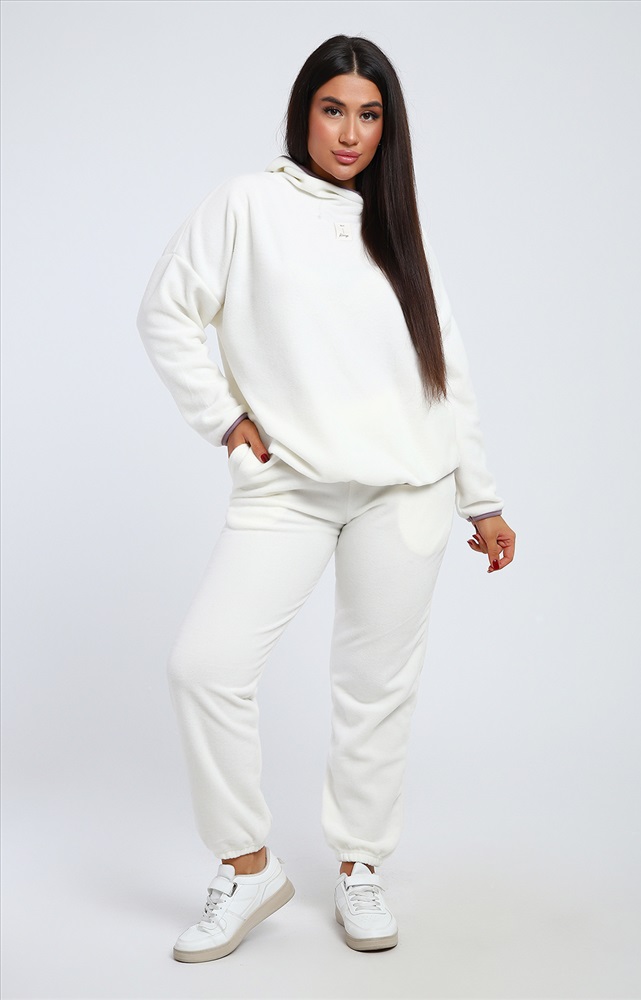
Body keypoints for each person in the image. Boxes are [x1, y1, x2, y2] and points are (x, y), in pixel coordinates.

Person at [137, 33, 516, 962]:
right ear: (304, 112)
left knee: (375, 687)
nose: (350, 133)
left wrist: (481, 499)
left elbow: (445, 376)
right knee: (204, 666)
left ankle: (360, 865)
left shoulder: (395, 231)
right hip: (291, 487)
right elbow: (166, 311)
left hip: (406, 489)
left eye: (369, 115)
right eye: (333, 109)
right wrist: (226, 419)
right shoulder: (246, 204)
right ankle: (247, 866)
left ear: (388, 129)